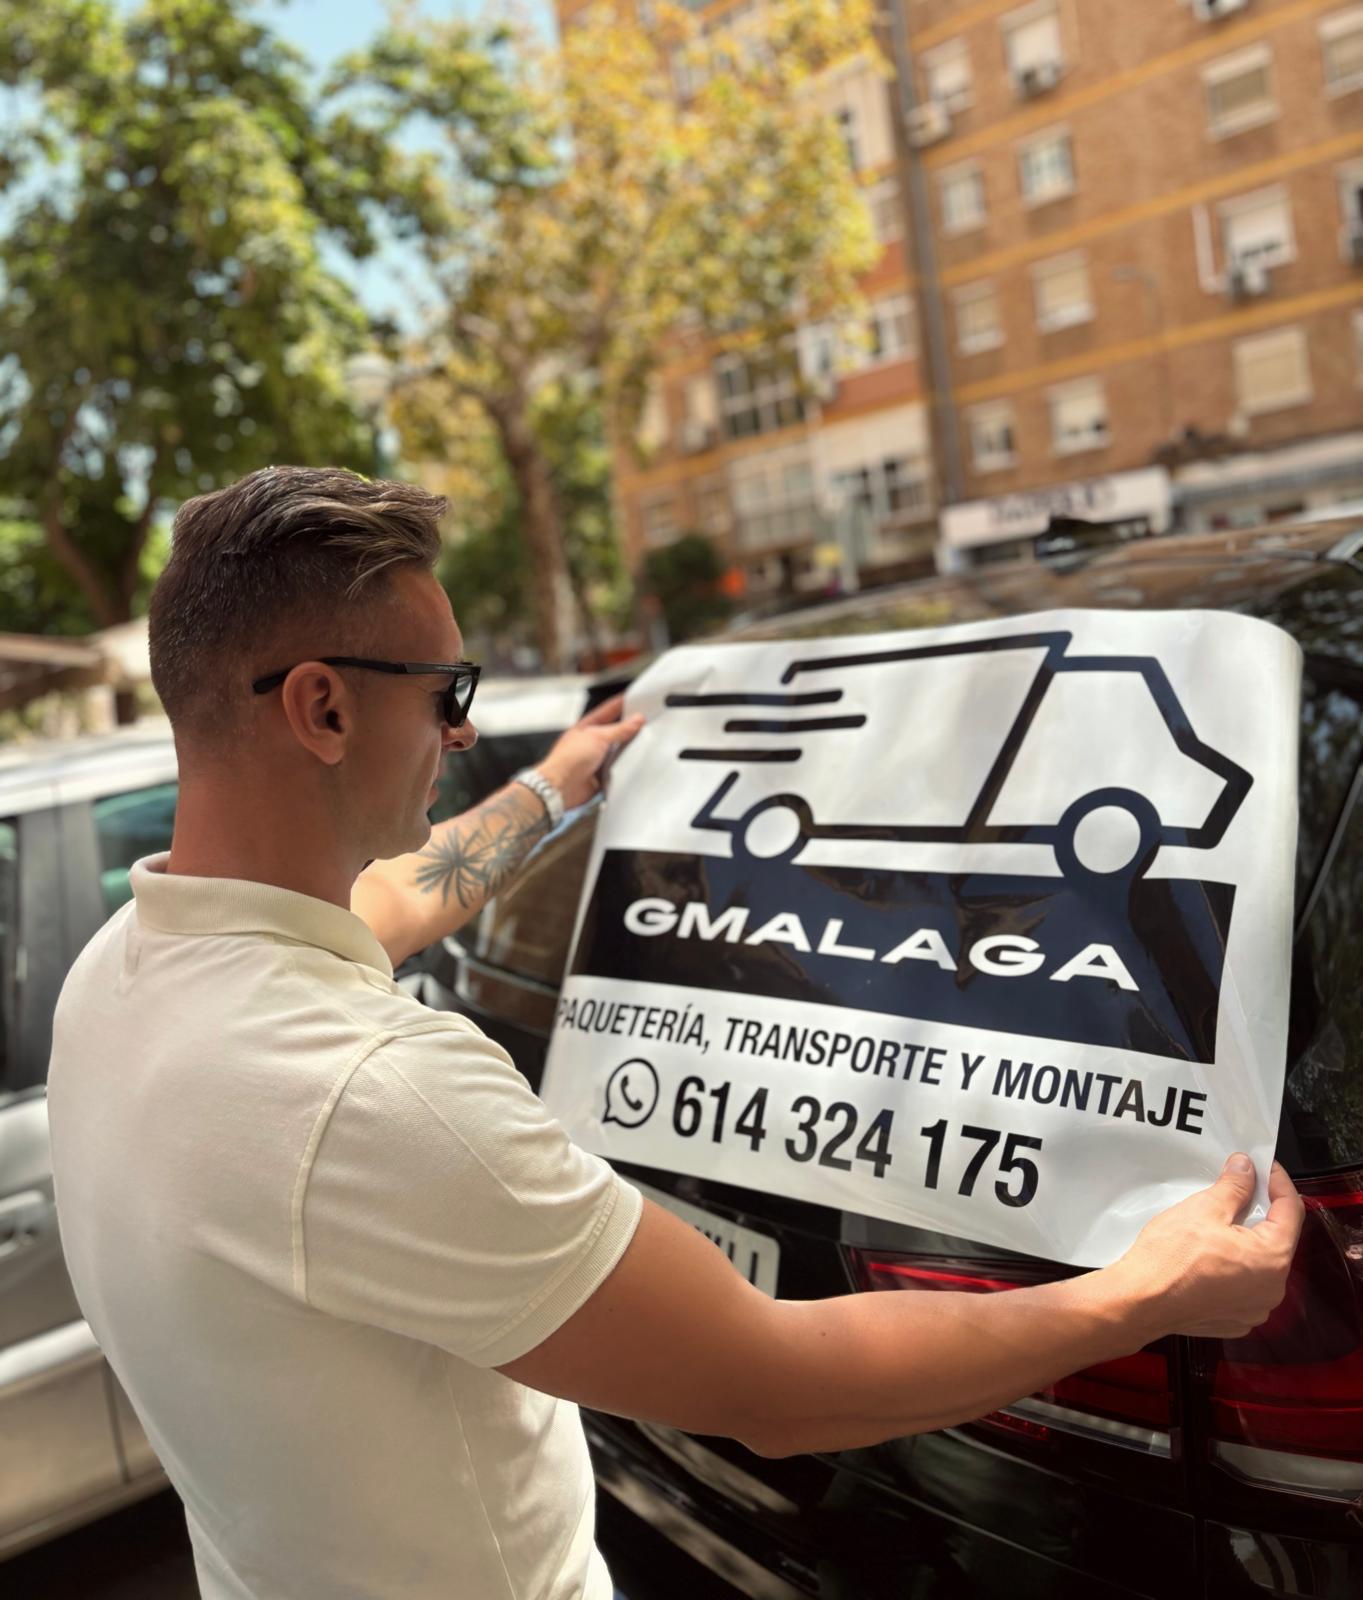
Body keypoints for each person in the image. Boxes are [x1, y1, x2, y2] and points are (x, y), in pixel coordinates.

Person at [47, 466, 1304, 1600]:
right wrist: (1142, 1292)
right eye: (447, 693)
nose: (464, 732)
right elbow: (772, 1383)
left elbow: (381, 901)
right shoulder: (368, 1094)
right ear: (321, 709)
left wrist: (554, 791)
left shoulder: (123, 973)